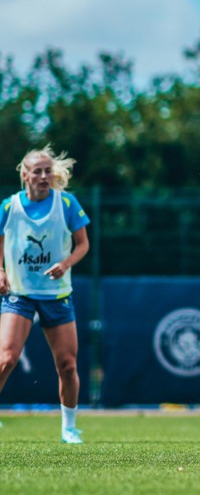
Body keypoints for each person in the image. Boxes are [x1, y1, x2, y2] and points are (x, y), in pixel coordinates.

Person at [0, 145, 90, 444]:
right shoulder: (9, 206)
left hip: (57, 294)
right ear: (25, 175)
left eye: (47, 171)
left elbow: (82, 245)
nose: (43, 176)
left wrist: (65, 264)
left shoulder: (66, 203)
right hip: (20, 293)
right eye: (37, 171)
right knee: (6, 359)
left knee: (67, 364)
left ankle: (69, 427)